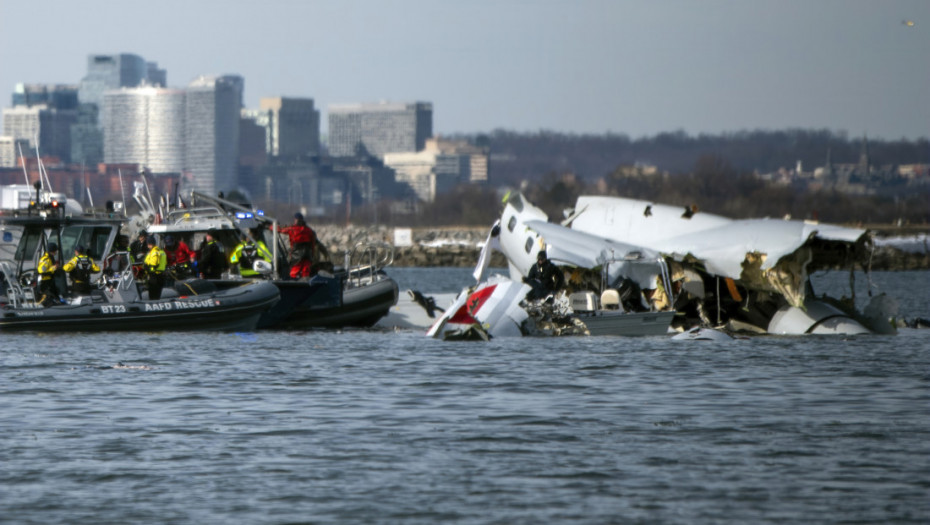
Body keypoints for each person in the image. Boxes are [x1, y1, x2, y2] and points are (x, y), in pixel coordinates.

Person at [279, 212, 316, 279]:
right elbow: (312, 244)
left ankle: (293, 283)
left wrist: (271, 227)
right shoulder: (309, 230)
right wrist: (312, 255)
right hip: (307, 254)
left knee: (294, 271)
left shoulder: (293, 229)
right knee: (306, 271)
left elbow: (281, 230)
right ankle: (306, 283)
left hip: (297, 254)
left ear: (296, 220)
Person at [37, 242, 62, 306]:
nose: (56, 252)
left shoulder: (50, 258)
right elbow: (41, 271)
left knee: (55, 295)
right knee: (48, 297)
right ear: (52, 251)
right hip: (45, 283)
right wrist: (54, 268)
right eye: (55, 251)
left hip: (50, 281)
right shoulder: (46, 260)